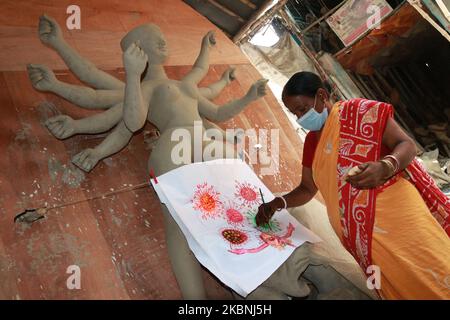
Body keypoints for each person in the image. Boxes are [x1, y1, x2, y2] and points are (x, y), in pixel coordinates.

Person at [256, 71, 450, 299]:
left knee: (435, 270)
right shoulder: (311, 142)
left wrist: (386, 166)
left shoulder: (359, 112)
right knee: (400, 287)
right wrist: (278, 203)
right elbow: (308, 189)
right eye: (294, 113)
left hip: (402, 222)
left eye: (302, 108)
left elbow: (405, 144)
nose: (300, 117)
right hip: (366, 244)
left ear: (321, 95)